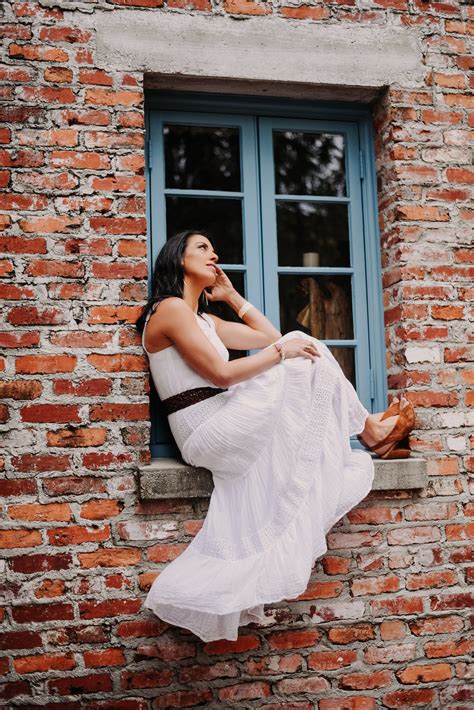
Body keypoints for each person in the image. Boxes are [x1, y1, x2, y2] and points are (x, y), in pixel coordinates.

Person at [136, 229, 415, 642]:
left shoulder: (203, 320)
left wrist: (232, 297)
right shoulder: (170, 309)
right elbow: (223, 374)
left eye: (214, 248)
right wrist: (282, 353)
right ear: (178, 258)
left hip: (225, 417)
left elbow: (270, 337)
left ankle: (369, 430)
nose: (215, 255)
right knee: (299, 347)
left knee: (299, 345)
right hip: (206, 428)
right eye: (203, 248)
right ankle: (371, 431)